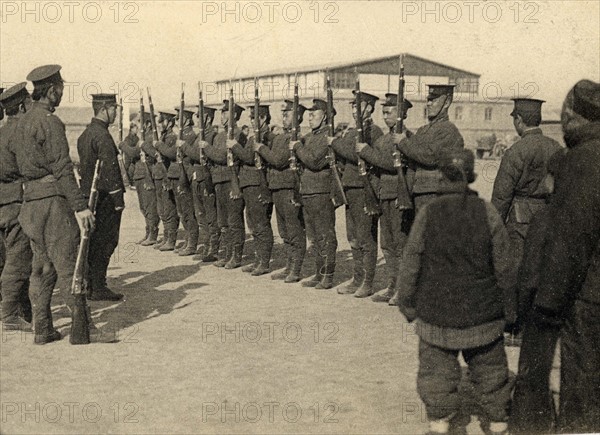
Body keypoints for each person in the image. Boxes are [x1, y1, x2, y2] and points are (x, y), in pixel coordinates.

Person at [396, 149, 517, 435]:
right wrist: (510, 310)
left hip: (437, 317)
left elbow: (411, 263)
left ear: (439, 176)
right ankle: (498, 422)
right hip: (484, 317)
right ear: (471, 177)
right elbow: (505, 268)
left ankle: (439, 424)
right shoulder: (487, 212)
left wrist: (407, 304)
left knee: (436, 374)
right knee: (491, 372)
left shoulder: (427, 214)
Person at [533, 79, 600, 433]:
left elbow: (571, 243)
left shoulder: (580, 161)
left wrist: (548, 302)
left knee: (582, 390)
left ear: (574, 117)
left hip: (588, 300)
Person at [13, 65, 95, 345]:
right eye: (60, 89)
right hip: (52, 205)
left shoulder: (21, 122)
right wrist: (80, 206)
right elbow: (62, 168)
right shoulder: (50, 122)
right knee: (70, 265)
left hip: (30, 204)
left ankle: (42, 329)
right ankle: (85, 330)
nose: (61, 94)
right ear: (51, 91)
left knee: (42, 267)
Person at [509, 149, 567, 434]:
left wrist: (519, 317)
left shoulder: (543, 220)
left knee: (534, 377)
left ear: (551, 181)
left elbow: (529, 277)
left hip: (544, 313)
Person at [356, 93, 413, 303]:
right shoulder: (382, 139)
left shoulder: (405, 138)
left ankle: (403, 288)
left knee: (400, 244)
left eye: (390, 112)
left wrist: (367, 153)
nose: (385, 115)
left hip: (399, 196)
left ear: (402, 115)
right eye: (384, 111)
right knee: (387, 244)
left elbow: (391, 164)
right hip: (383, 194)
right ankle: (392, 285)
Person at [491, 98, 561, 263]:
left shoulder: (515, 151)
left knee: (518, 270)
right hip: (548, 218)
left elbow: (502, 196)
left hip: (520, 223)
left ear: (519, 120)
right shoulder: (556, 148)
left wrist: (494, 230)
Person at [332, 91, 383, 297]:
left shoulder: (374, 131)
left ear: (369, 108)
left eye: (358, 106)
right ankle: (357, 278)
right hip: (350, 187)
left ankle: (367, 282)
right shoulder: (352, 132)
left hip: (364, 189)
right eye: (352, 106)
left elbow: (359, 154)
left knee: (365, 237)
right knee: (352, 236)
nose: (354, 110)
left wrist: (335, 144)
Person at [77, 93, 125, 301]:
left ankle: (90, 283)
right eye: (114, 108)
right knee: (107, 241)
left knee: (92, 240)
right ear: (104, 109)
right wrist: (118, 200)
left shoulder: (86, 134)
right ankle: (98, 286)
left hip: (89, 196)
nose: (116, 112)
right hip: (105, 197)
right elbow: (110, 170)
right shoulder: (103, 136)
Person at [255, 99, 307, 283]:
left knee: (294, 231)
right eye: (283, 113)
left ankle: (296, 269)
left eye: (288, 113)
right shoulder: (280, 137)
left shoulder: (295, 138)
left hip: (289, 188)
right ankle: (289, 266)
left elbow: (278, 160)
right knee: (284, 231)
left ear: (298, 117)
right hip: (277, 187)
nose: (284, 116)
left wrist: (261, 148)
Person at [290, 99, 338, 290]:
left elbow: (314, 162)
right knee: (315, 236)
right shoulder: (309, 137)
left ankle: (328, 275)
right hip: (308, 190)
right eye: (308, 114)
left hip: (321, 191)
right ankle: (319, 274)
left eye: (313, 114)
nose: (309, 118)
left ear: (325, 116)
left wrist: (297, 147)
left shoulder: (327, 136)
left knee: (325, 236)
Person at [395, 84, 464, 213]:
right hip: (419, 193)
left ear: (447, 102)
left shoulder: (448, 130)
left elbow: (430, 156)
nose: (428, 104)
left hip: (437, 194)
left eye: (434, 100)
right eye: (428, 99)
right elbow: (412, 156)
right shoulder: (423, 130)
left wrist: (403, 142)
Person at [0, 82, 33, 330]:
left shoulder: (2, 132)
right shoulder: (21, 133)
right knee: (18, 259)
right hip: (17, 203)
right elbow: (28, 169)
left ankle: (19, 310)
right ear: (22, 106)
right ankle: (9, 313)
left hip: (4, 202)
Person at [231, 104, 274, 276]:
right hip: (248, 184)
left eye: (254, 117)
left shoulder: (265, 136)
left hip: (258, 184)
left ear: (263, 119)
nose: (250, 120)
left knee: (260, 224)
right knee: (253, 224)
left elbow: (249, 157)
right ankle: (258, 259)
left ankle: (263, 262)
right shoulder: (253, 137)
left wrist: (234, 146)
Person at [203, 100, 246, 268]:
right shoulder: (219, 135)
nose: (222, 116)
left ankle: (236, 256)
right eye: (221, 112)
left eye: (225, 112)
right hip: (218, 180)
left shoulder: (237, 134)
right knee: (223, 221)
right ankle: (227, 254)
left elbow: (222, 157)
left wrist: (207, 148)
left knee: (234, 220)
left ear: (234, 115)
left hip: (232, 180)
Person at [182, 105, 219, 261]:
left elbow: (198, 155)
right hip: (197, 177)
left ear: (208, 118)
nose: (197, 119)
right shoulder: (200, 136)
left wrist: (183, 147)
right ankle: (205, 245)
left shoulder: (210, 135)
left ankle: (214, 248)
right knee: (201, 215)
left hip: (206, 178)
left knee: (210, 215)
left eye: (200, 116)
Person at [121, 113, 160, 245]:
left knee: (149, 205)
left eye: (141, 122)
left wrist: (122, 146)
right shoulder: (142, 138)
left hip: (146, 175)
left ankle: (153, 234)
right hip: (140, 175)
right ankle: (149, 232)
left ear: (148, 124)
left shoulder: (148, 138)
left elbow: (133, 152)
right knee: (144, 206)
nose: (138, 125)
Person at [152, 109, 180, 251]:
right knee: (162, 209)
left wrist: (158, 146)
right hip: (161, 175)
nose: (159, 124)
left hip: (168, 175)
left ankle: (171, 239)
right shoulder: (163, 137)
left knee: (169, 209)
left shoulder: (171, 137)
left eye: (162, 121)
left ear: (169, 122)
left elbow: (170, 153)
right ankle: (166, 237)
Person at [119, 122, 139, 187]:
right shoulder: (127, 139)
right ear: (131, 129)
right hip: (129, 161)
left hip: (135, 161)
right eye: (136, 128)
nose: (137, 130)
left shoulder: (137, 138)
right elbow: (129, 151)